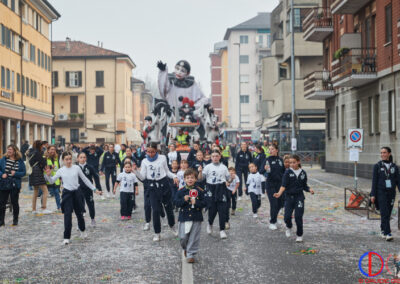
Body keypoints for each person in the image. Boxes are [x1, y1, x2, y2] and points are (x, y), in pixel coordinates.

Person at [45, 152, 101, 245]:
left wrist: (94, 189)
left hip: (77, 193)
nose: (68, 161)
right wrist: (48, 175)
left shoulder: (76, 168)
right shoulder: (61, 170)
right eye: (66, 159)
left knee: (79, 214)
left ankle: (82, 231)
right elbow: (51, 181)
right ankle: (66, 237)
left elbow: (85, 179)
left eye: (70, 159)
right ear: (63, 160)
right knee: (67, 215)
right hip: (67, 194)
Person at [134, 142, 179, 241]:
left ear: (156, 150)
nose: (150, 154)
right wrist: (136, 171)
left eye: (152, 152)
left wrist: (174, 176)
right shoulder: (144, 161)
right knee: (155, 210)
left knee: (168, 208)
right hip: (152, 187)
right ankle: (157, 232)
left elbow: (167, 171)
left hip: (164, 185)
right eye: (148, 152)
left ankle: (172, 226)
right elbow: (143, 177)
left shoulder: (162, 158)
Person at [274, 155, 314, 243]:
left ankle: (299, 235)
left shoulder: (303, 173)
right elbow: (283, 185)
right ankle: (289, 226)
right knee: (287, 217)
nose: (291, 164)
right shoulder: (287, 172)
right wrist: (279, 193)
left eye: (293, 162)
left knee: (298, 216)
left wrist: (309, 189)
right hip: (289, 197)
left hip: (299, 197)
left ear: (298, 162)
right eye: (290, 162)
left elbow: (304, 186)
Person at [174, 169, 207, 263]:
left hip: (196, 216)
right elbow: (176, 203)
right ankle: (185, 248)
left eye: (192, 177)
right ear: (184, 179)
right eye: (187, 178)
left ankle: (190, 254)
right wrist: (183, 200)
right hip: (184, 217)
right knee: (183, 237)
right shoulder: (181, 191)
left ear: (196, 179)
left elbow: (205, 203)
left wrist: (196, 202)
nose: (190, 179)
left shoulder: (200, 191)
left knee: (193, 237)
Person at [198, 149, 231, 239]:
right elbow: (200, 179)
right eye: (213, 156)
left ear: (220, 157)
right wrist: (200, 171)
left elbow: (229, 179)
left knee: (222, 210)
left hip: (221, 189)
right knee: (212, 210)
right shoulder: (208, 167)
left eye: (217, 156)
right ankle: (210, 223)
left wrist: (231, 178)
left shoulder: (224, 167)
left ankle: (222, 230)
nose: (215, 158)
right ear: (211, 158)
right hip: (211, 189)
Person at [371, 147, 400, 241]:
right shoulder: (377, 166)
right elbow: (374, 181)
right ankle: (388, 233)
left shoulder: (394, 167)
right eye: (381, 153)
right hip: (381, 192)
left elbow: (398, 181)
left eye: (384, 152)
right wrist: (373, 194)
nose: (383, 154)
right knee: (384, 212)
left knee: (388, 213)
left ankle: (383, 230)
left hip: (391, 193)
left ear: (389, 154)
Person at [0, 145, 26, 226]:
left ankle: (15, 220)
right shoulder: (3, 159)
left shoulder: (20, 161)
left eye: (10, 149)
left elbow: (24, 172)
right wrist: (1, 175)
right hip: (4, 183)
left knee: (14, 202)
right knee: (2, 203)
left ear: (15, 151)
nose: (9, 151)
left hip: (15, 184)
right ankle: (1, 221)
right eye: (8, 149)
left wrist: (16, 173)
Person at [77, 152, 102, 226]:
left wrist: (98, 188)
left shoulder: (89, 167)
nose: (82, 159)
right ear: (78, 158)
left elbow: (96, 177)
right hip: (78, 189)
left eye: (84, 157)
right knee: (79, 205)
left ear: (86, 158)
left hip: (88, 189)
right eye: (81, 157)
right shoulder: (75, 168)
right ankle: (80, 222)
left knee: (90, 204)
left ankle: (92, 219)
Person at [264, 144, 285, 231]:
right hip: (270, 185)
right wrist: (265, 169)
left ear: (277, 150)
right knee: (274, 203)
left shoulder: (280, 160)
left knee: (281, 203)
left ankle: (274, 216)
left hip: (279, 185)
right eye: (269, 149)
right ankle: (272, 222)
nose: (270, 150)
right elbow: (261, 170)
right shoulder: (267, 160)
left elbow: (283, 172)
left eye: (272, 149)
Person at [27, 140, 51, 214]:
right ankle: (44, 208)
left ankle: (34, 209)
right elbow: (43, 163)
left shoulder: (30, 152)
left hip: (32, 172)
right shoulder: (38, 153)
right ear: (40, 146)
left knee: (35, 191)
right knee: (45, 190)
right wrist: (45, 157)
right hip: (38, 172)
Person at [45, 145, 61, 211]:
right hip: (47, 179)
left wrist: (60, 177)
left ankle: (59, 207)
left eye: (54, 149)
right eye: (51, 149)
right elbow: (43, 166)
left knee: (57, 193)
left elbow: (58, 167)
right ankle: (43, 207)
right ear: (48, 150)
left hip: (55, 179)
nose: (53, 151)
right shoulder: (45, 158)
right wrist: (51, 166)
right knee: (44, 194)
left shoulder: (56, 158)